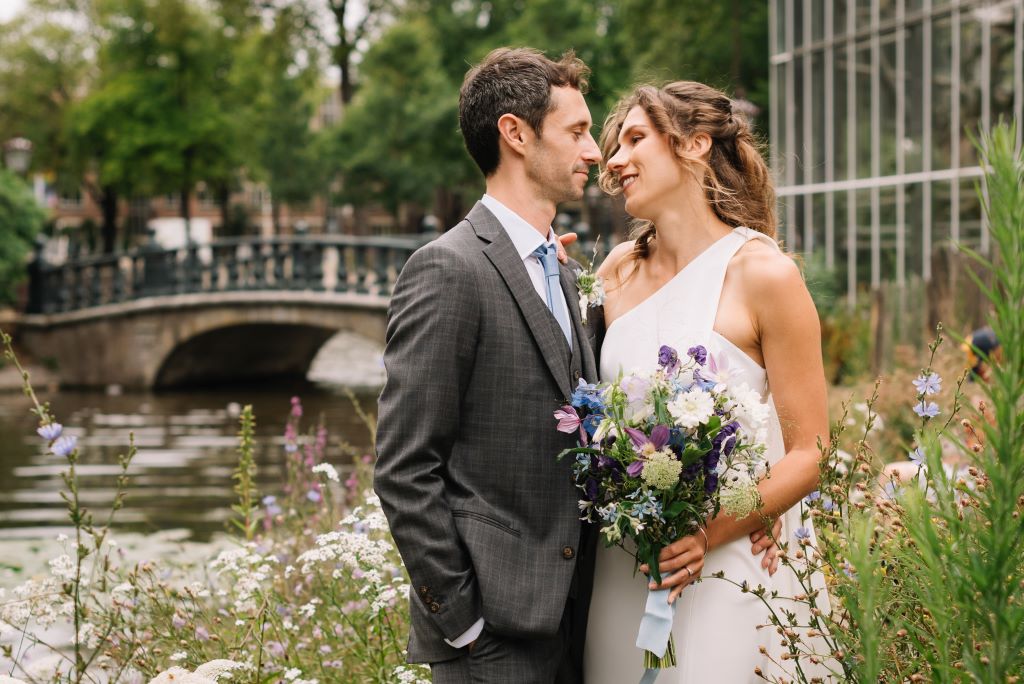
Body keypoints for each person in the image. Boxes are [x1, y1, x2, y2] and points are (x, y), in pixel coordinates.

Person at [584, 82, 832, 682]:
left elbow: (809, 453)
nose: (614, 161)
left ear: (694, 145)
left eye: (635, 139)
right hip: (625, 569)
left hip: (725, 565)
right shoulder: (617, 270)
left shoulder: (764, 274)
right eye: (615, 146)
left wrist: (710, 529)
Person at [373, 47, 603, 683]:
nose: (594, 153)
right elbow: (403, 466)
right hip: (490, 640)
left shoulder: (562, 268)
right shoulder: (448, 269)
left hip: (575, 623)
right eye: (578, 132)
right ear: (517, 133)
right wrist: (464, 620)